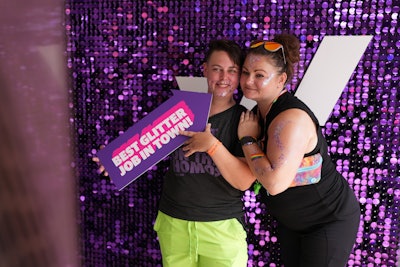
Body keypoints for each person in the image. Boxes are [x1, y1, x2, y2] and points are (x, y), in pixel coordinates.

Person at [237, 34, 361, 267]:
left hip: (327, 219)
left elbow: (274, 183)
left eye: (259, 75)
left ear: (281, 79)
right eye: (245, 72)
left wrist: (247, 139)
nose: (248, 80)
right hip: (293, 222)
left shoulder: (290, 119)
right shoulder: (258, 111)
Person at [153, 39, 256, 267]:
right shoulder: (180, 110)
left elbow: (244, 181)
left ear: (239, 76)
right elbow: (143, 147)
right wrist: (113, 163)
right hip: (174, 223)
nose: (223, 78)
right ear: (205, 70)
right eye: (217, 69)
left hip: (220, 228)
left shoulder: (246, 119)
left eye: (232, 71)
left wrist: (212, 145)